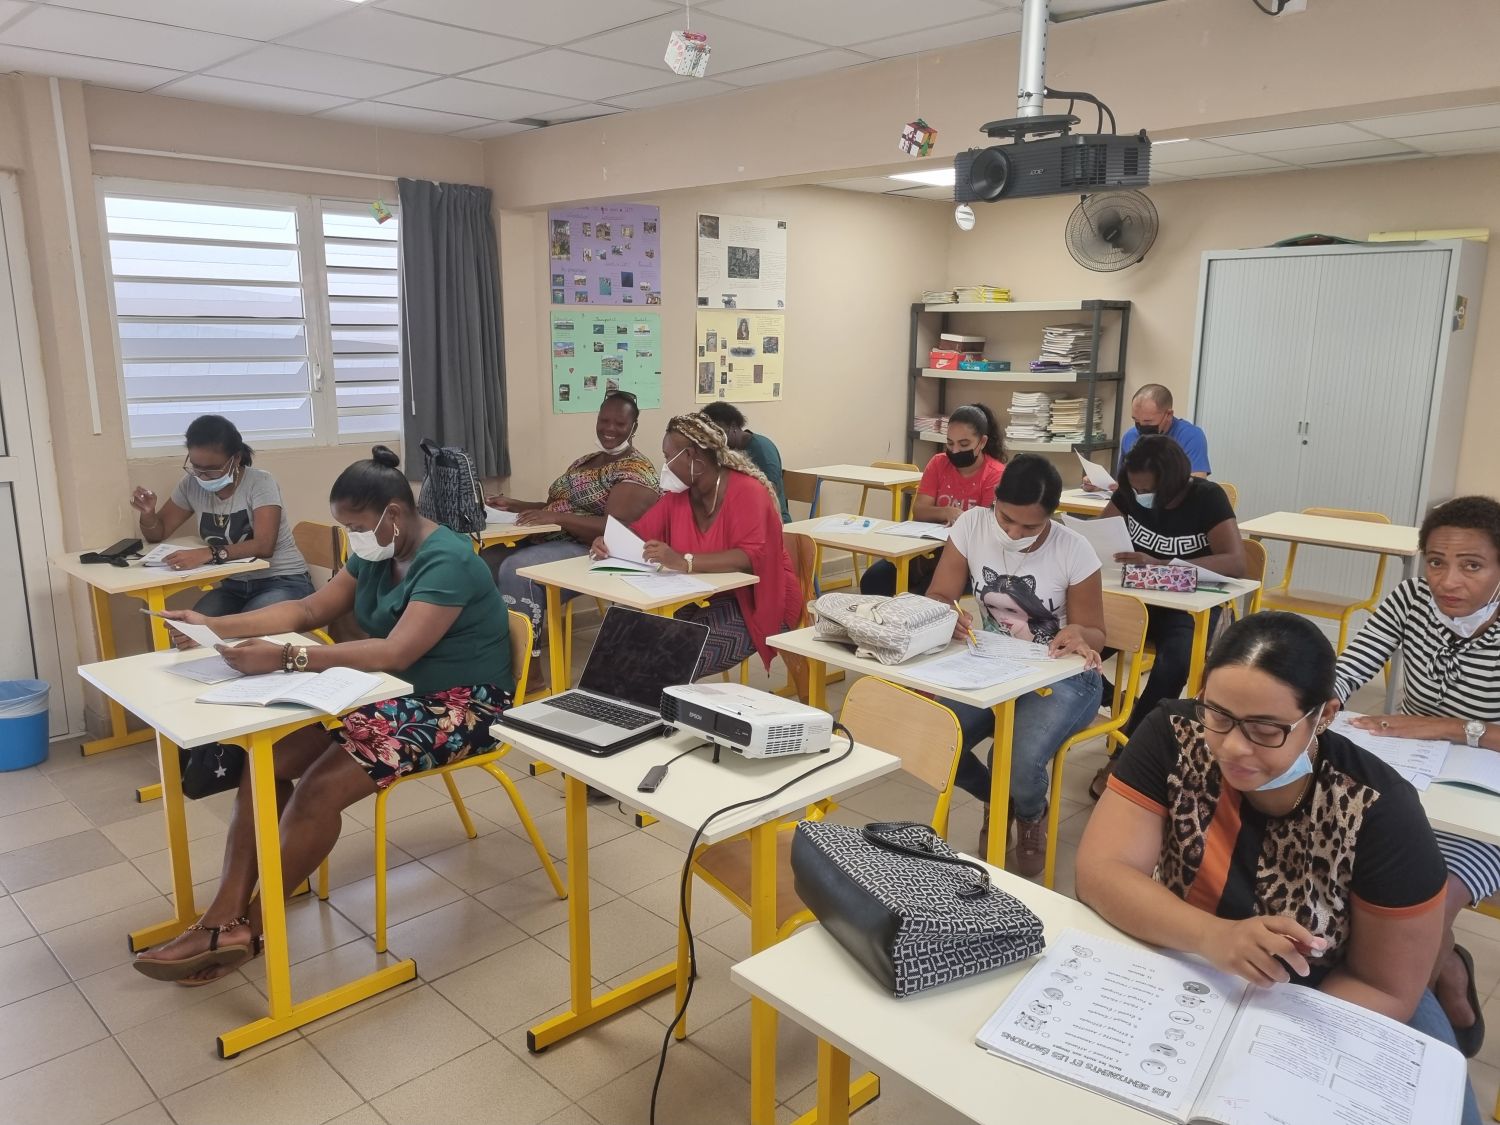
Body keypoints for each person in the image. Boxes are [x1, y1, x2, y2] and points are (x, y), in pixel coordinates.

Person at [131, 446, 513, 985]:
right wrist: (217, 626)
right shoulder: (380, 550)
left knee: (319, 788)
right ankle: (223, 915)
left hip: (461, 703)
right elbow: (310, 609)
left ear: (394, 516)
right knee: (265, 761)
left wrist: (289, 656)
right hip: (387, 690)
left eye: (356, 526)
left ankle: (252, 926)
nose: (352, 537)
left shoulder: (447, 559)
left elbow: (395, 651)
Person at [1078, 612, 1478, 1125]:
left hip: (1334, 992)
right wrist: (1214, 937)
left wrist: (1259, 1045)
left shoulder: (1378, 808)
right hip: (1197, 957)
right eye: (1218, 715)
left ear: (1325, 715)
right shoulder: (1174, 734)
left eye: (1267, 729)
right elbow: (1101, 871)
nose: (1233, 746)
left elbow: (1384, 987)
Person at [1332, 495, 1500, 1057]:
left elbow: (1445, 729)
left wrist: (1447, 728)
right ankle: (1448, 970)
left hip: (1484, 811)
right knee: (1348, 890)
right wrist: (1317, 700)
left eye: (1472, 565)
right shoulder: (1411, 597)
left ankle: (1389, 1061)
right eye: (1435, 561)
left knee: (1422, 912)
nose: (1448, 580)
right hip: (1407, 780)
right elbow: (1355, 661)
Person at [924, 454, 1104, 876]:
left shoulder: (1074, 549)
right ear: (994, 503)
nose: (1013, 533)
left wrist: (1080, 634)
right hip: (990, 664)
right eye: (1005, 519)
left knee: (1022, 762)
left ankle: (1029, 814)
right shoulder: (971, 527)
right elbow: (938, 596)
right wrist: (947, 616)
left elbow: (1096, 632)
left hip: (1063, 674)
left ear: (1052, 518)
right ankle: (1000, 798)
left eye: (1030, 527)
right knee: (936, 738)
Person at [589, 413, 800, 678]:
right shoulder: (678, 498)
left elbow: (751, 556)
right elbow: (638, 533)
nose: (664, 465)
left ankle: (660, 713)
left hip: (758, 600)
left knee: (675, 659)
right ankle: (624, 712)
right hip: (706, 594)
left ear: (693, 459)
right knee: (629, 639)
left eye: (668, 458)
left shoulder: (748, 491)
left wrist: (683, 561)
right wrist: (608, 542)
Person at [1088, 436, 1245, 794]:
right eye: (1135, 486)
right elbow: (1097, 536)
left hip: (1186, 605)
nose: (1141, 495)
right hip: (1136, 600)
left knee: (1176, 661)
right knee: (1082, 647)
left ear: (1173, 482)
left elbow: (1235, 562)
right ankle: (1116, 703)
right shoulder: (1129, 493)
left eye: (1148, 489)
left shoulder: (1207, 498)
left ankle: (1129, 749)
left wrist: (1163, 564)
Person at [484, 391, 658, 665]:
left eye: (619, 423)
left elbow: (614, 531)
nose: (609, 428)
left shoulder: (634, 470)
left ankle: (528, 668)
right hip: (551, 538)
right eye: (604, 420)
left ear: (634, 427)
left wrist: (558, 519)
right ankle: (493, 655)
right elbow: (558, 504)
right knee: (485, 561)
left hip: (591, 549)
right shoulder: (587, 460)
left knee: (516, 569)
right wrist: (515, 504)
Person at [128, 414, 313, 614]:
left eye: (212, 470)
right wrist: (148, 514)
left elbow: (264, 545)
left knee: (243, 629)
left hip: (282, 581)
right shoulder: (191, 485)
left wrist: (207, 554)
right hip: (234, 586)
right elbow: (158, 533)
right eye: (196, 468)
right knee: (190, 631)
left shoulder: (260, 483)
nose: (203, 476)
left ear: (236, 458)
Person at [860, 403, 1005, 597]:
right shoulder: (938, 463)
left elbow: (985, 528)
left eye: (964, 444)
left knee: (925, 595)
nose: (954, 451)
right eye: (949, 443)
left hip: (966, 560)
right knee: (873, 580)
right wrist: (947, 512)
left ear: (982, 442)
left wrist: (955, 520)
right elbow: (919, 510)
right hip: (925, 552)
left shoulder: (994, 474)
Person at [1082, 384, 1210, 491]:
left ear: (1169, 414)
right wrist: (1101, 485)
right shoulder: (1130, 436)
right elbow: (1125, 482)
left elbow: (1196, 483)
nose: (1141, 427)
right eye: (1136, 420)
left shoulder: (1190, 436)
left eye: (1148, 422)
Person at [701, 401, 790, 523]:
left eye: (718, 432)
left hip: (770, 520)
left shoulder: (762, 450)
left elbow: (770, 492)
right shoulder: (723, 450)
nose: (714, 438)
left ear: (733, 427)